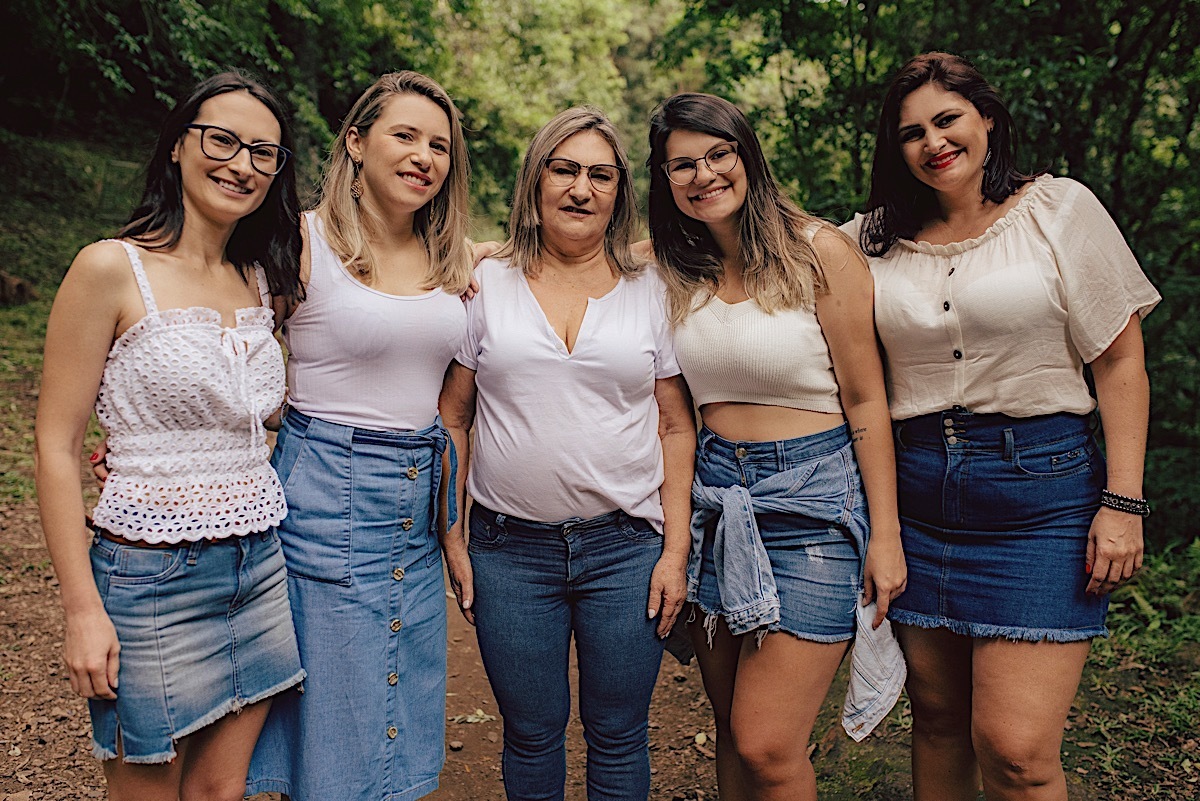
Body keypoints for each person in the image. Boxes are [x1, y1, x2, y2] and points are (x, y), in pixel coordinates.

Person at [843, 52, 1161, 800]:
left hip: (1041, 496)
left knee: (1016, 749)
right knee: (940, 718)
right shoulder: (870, 241)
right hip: (917, 493)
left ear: (986, 117)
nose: (934, 142)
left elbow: (1119, 364)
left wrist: (1123, 501)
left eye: (947, 120)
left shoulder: (1059, 210)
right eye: (912, 132)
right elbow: (758, 244)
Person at [34, 71, 305, 801]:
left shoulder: (257, 277)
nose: (241, 163)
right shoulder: (109, 269)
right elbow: (56, 447)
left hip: (259, 568)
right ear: (179, 147)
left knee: (222, 793)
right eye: (222, 140)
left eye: (264, 152)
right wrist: (83, 609)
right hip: (151, 580)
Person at [645, 92, 907, 801]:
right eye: (682, 165)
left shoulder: (819, 251)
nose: (703, 175)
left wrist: (885, 534)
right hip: (718, 495)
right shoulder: (673, 263)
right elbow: (563, 252)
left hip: (814, 498)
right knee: (734, 731)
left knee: (767, 739)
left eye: (718, 154)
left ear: (746, 154)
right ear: (663, 180)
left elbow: (866, 399)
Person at [439, 106, 695, 801]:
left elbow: (676, 425)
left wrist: (674, 551)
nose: (581, 188)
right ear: (537, 179)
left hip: (626, 549)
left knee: (618, 731)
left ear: (619, 194)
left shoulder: (650, 291)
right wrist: (453, 531)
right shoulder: (484, 284)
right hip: (508, 549)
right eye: (565, 169)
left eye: (600, 175)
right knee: (530, 731)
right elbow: (454, 416)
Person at [243, 71, 473, 801]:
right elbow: (229, 342)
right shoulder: (300, 242)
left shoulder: (456, 261)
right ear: (356, 141)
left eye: (439, 145)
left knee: (401, 696)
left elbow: (449, 401)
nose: (424, 156)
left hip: (418, 504)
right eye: (405, 135)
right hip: (326, 489)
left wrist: (453, 529)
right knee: (337, 711)